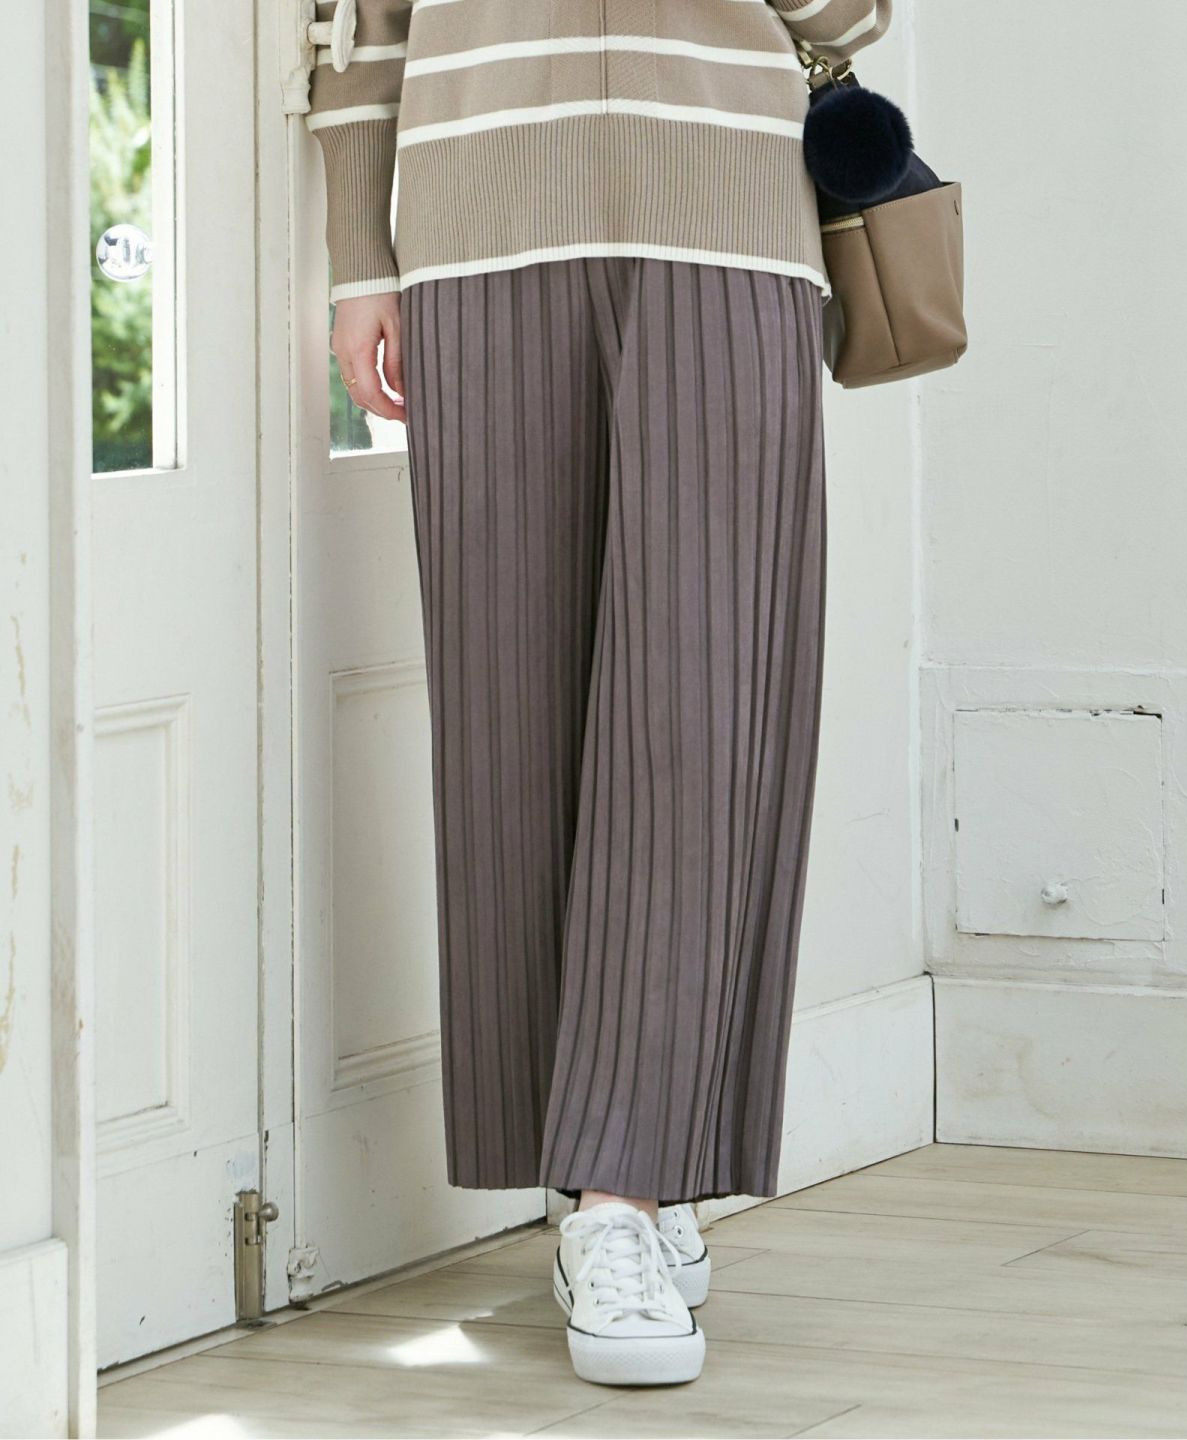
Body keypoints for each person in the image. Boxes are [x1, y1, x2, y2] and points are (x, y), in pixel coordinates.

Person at [306, 0, 891, 1387]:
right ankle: (599, 1178)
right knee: (506, 715)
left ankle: (627, 1185)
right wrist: (358, 262)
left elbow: (853, 14)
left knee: (704, 710)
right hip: (479, 225)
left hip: (730, 228)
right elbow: (363, 29)